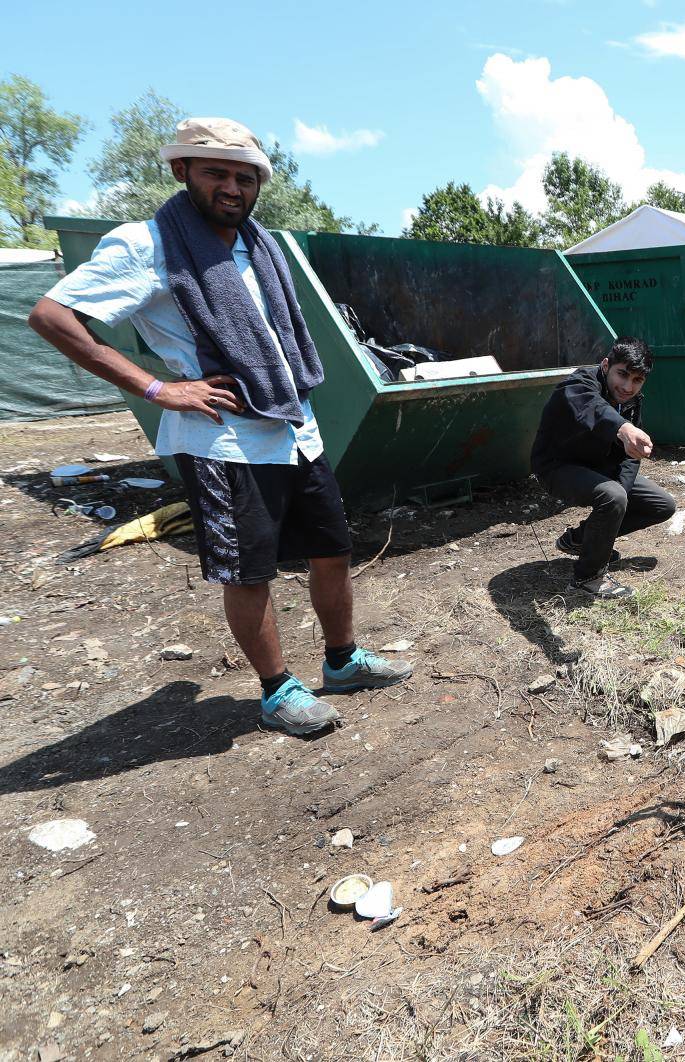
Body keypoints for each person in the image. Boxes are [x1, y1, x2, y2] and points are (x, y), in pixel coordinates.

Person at [29, 117, 412, 737]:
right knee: (249, 570)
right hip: (225, 438)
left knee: (333, 550)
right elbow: (51, 317)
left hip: (292, 426)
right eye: (216, 173)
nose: (232, 187)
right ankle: (276, 690)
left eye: (244, 176)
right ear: (181, 172)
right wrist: (159, 390)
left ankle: (342, 661)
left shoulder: (259, 244)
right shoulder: (147, 245)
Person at [530, 337, 676, 600]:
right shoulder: (580, 384)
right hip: (557, 467)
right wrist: (624, 429)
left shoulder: (631, 400)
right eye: (623, 375)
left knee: (662, 504)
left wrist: (619, 496)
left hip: (598, 468)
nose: (628, 386)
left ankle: (581, 539)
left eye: (637, 380)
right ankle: (588, 577)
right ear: (606, 365)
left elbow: (630, 458)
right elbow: (592, 408)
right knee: (613, 496)